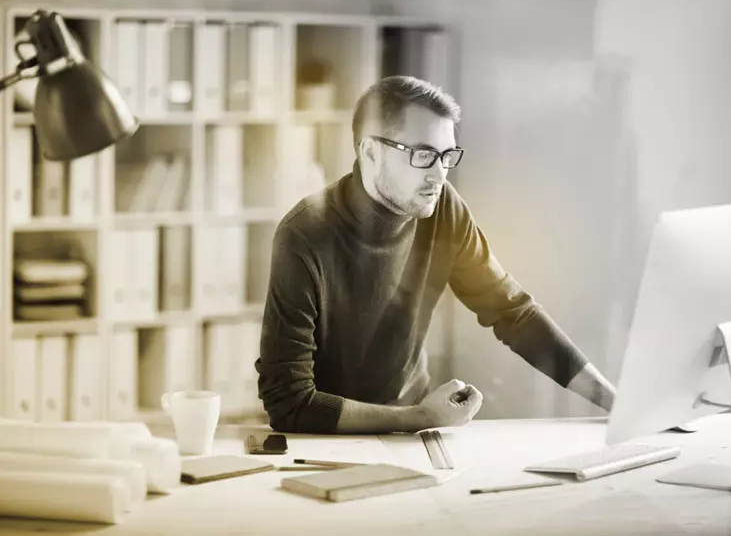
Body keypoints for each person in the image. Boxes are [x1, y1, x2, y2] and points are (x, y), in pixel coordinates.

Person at [255, 75, 616, 434]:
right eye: (423, 155)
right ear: (370, 152)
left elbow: (513, 313)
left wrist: (616, 402)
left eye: (446, 156)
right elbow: (289, 403)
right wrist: (420, 418)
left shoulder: (443, 209)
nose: (439, 175)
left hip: (414, 431)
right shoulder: (304, 236)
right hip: (325, 439)